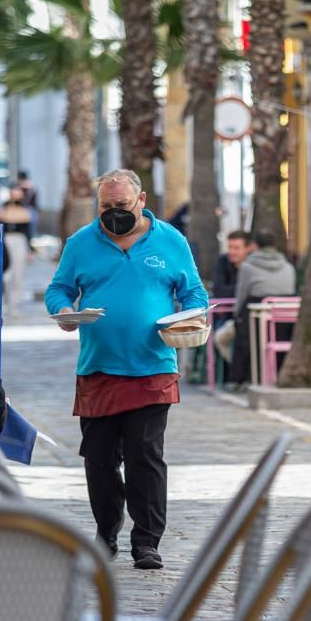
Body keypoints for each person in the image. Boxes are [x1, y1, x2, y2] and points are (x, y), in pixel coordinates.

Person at [45, 169, 208, 570]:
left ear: (142, 200)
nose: (113, 213)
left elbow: (193, 292)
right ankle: (106, 533)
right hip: (98, 366)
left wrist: (192, 318)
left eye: (121, 206)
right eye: (105, 206)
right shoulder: (81, 242)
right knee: (99, 459)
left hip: (153, 364)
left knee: (144, 455)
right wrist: (64, 312)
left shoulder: (171, 240)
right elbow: (59, 288)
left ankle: (147, 541)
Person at [228, 230, 294, 387]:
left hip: (255, 320)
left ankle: (237, 377)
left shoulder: (248, 267)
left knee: (227, 336)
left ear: (254, 246)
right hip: (283, 320)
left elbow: (241, 296)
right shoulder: (288, 267)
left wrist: (236, 316)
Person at [0, 189, 35, 316]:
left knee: (18, 273)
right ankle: (2, 303)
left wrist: (31, 250)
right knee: (5, 274)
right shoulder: (4, 210)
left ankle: (14, 305)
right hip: (6, 240)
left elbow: (28, 232)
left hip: (20, 241)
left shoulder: (25, 212)